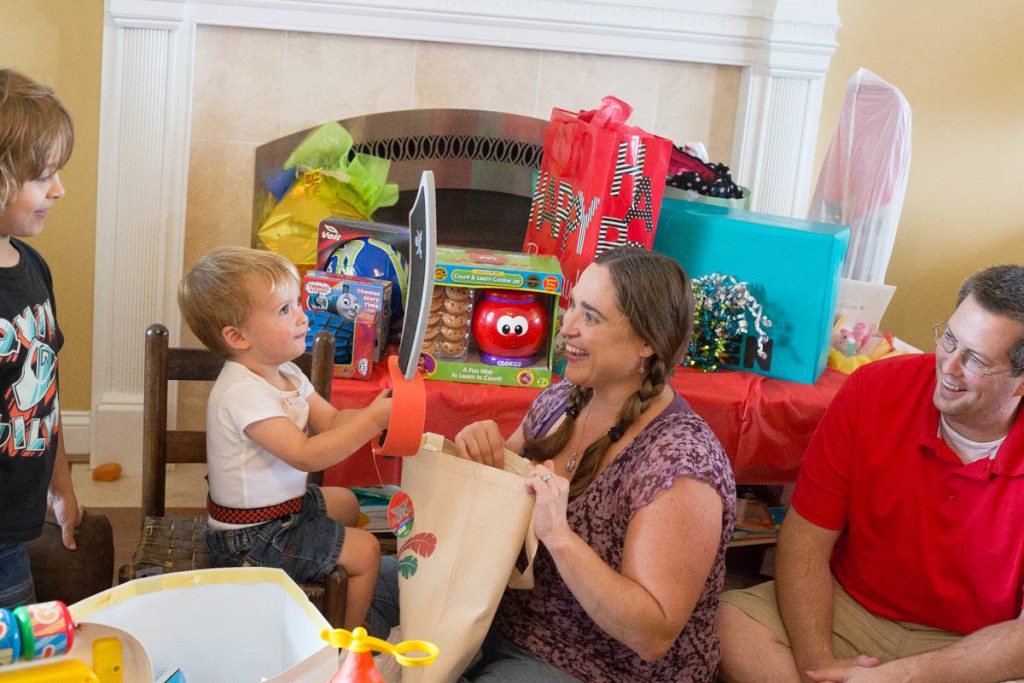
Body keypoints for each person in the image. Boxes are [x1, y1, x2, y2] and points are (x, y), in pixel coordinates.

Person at [420, 246, 735, 680]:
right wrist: (481, 463)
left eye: (591, 317)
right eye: (571, 306)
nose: (565, 327)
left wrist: (559, 536)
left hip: (592, 667)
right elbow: (499, 517)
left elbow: (652, 633)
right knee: (376, 593)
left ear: (647, 342)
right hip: (499, 619)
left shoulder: (681, 462)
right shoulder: (561, 399)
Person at [718, 264, 1024, 683]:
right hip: (851, 608)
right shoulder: (873, 388)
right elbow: (806, 539)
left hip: (977, 647)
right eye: (949, 339)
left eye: (975, 360)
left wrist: (905, 676)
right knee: (730, 627)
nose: (949, 367)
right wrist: (817, 663)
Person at [178, 246, 391, 630]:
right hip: (250, 540)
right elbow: (306, 455)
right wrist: (374, 421)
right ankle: (344, 652)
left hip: (282, 512)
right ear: (237, 336)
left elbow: (333, 421)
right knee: (368, 552)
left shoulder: (287, 372)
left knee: (344, 502)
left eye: (297, 303)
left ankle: (328, 592)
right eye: (283, 310)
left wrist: (380, 411)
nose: (302, 316)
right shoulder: (242, 393)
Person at [0, 69, 83, 610]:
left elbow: (44, 392)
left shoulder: (33, 267)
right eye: (43, 176)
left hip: (15, 532)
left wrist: (61, 483)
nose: (59, 189)